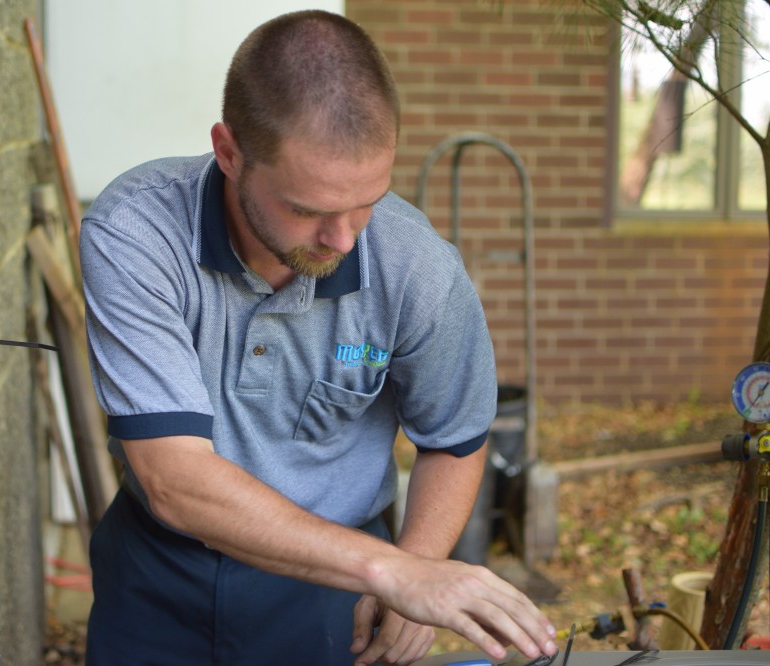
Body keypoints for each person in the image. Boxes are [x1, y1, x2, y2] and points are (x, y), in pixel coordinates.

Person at [80, 10, 558, 666]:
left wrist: (414, 569)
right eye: (307, 209)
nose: (344, 238)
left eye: (368, 200)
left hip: (333, 593)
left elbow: (453, 440)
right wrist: (391, 571)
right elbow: (175, 479)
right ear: (229, 153)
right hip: (159, 577)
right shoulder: (136, 234)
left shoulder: (417, 267)